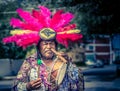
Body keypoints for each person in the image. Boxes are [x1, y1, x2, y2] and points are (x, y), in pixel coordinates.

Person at [3, 6, 84, 91]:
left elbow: (79, 83)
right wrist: (28, 86)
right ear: (39, 46)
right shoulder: (30, 62)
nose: (49, 47)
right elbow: (15, 87)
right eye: (45, 44)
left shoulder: (64, 59)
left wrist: (68, 66)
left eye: (51, 43)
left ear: (56, 46)